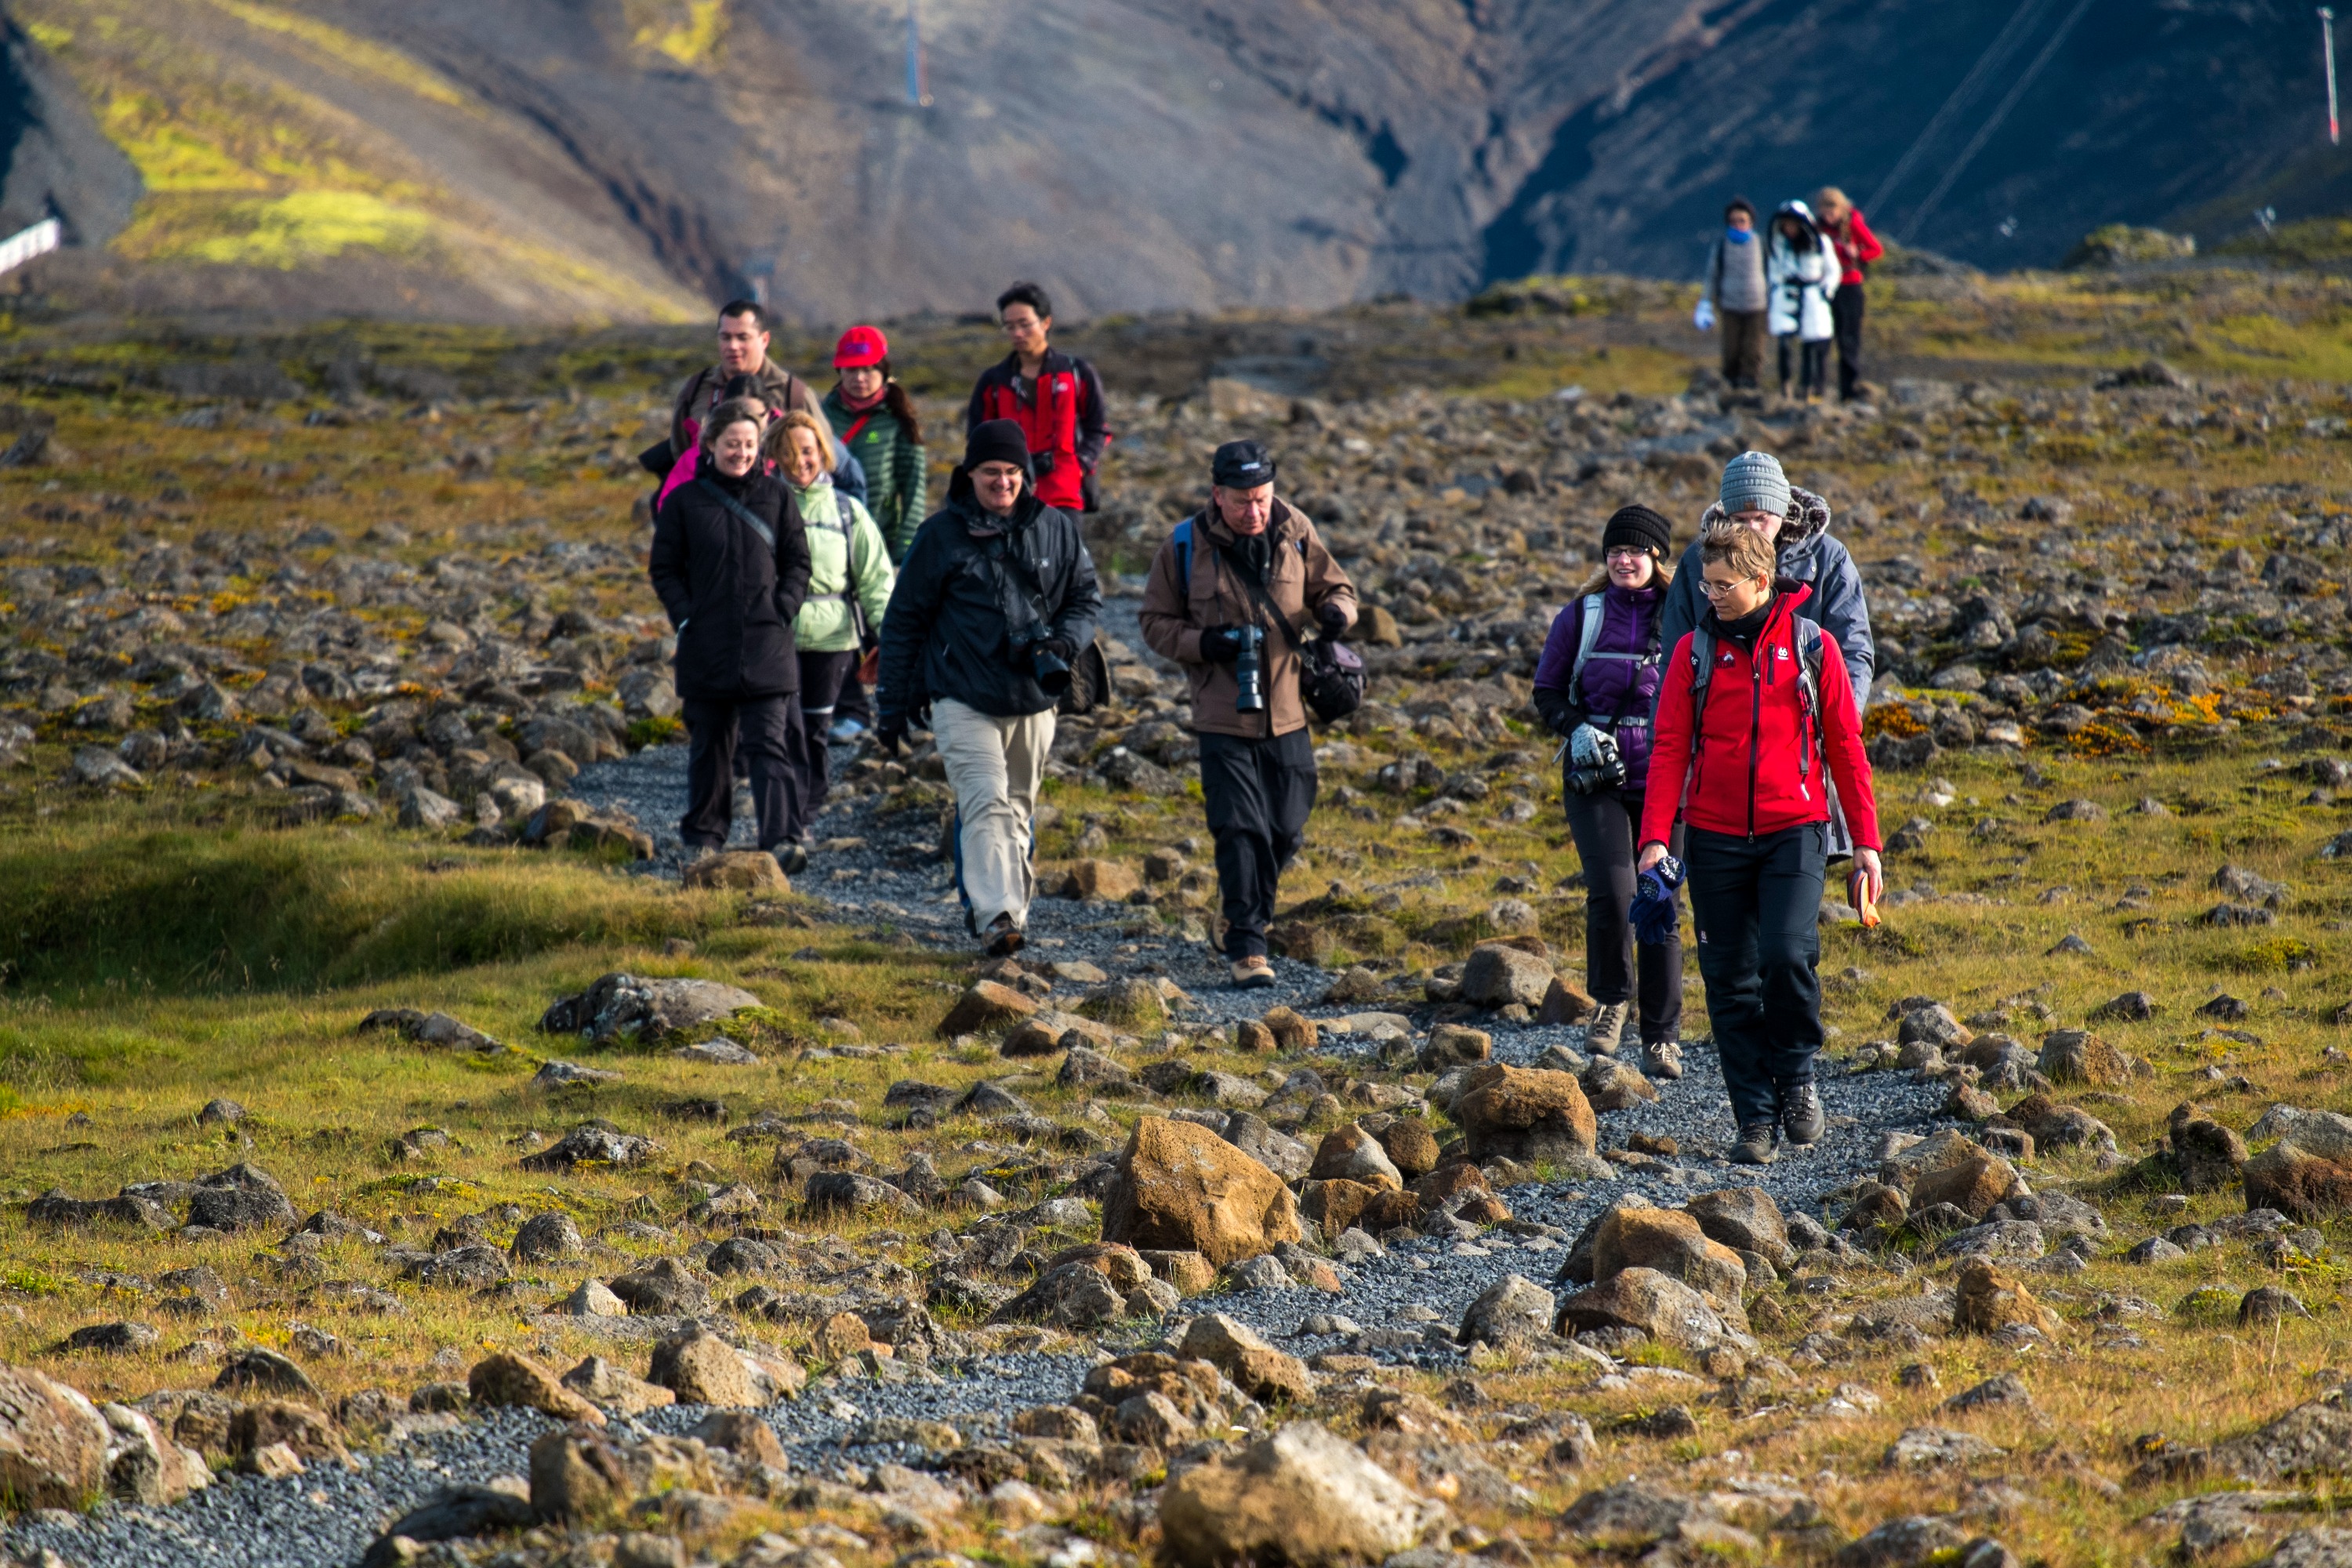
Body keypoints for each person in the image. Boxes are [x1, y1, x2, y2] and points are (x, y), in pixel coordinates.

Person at [1639, 523, 1884, 1165]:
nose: (1709, 594)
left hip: (1796, 831)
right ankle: (1754, 1119)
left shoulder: (1813, 646)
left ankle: (1798, 1077)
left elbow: (1845, 747)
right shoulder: (1693, 654)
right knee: (1728, 981)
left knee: (1786, 955)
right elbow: (1668, 750)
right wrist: (1655, 841)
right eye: (1705, 583)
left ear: (1759, 580)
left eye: (1723, 585)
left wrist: (1867, 843)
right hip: (1713, 835)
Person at [874, 419, 1101, 956]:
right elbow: (903, 622)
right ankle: (997, 915)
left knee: (1017, 806)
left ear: (1026, 474)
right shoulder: (939, 537)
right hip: (961, 695)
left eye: (1012, 473)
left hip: (1033, 696)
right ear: (969, 473)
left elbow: (1086, 599)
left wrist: (1064, 645)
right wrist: (892, 705)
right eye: (991, 472)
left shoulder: (1056, 528)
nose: (1003, 482)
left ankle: (1006, 916)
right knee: (985, 803)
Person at [1138, 440, 1357, 989]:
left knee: (1285, 828)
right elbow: (1153, 622)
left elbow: (1339, 587)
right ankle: (1248, 946)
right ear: (1217, 495)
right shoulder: (1185, 546)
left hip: (1287, 711)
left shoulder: (1297, 531)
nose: (1254, 512)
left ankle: (1237, 909)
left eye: (1262, 499)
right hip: (1221, 711)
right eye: (1241, 502)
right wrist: (1204, 642)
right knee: (1240, 829)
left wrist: (1336, 613)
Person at [1530, 506, 1684, 1077]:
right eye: (1617, 551)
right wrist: (1579, 730)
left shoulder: (1683, 617)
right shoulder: (1582, 616)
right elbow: (1546, 692)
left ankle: (1663, 1036)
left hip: (1667, 782)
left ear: (1657, 558)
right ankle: (1612, 1003)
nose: (1626, 560)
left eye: (1638, 551)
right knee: (1615, 893)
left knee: (1659, 902)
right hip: (1595, 779)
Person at [648, 398, 813, 869]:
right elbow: (664, 569)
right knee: (711, 745)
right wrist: (685, 616)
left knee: (768, 743)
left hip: (767, 642)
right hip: (706, 643)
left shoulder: (778, 497)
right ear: (710, 444)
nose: (741, 452)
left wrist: (783, 608)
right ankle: (703, 836)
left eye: (748, 444)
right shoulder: (683, 502)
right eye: (731, 444)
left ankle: (782, 840)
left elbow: (799, 562)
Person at [1657, 451, 1873, 724]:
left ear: (1781, 509)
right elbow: (1673, 664)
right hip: (1718, 740)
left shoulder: (1828, 558)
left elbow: (1853, 652)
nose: (1752, 529)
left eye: (1761, 517)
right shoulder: (1696, 561)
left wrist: (1839, 730)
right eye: (1740, 520)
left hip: (1803, 739)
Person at [771, 408, 894, 839]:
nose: (799, 461)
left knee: (814, 730)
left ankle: (804, 815)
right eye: (787, 452)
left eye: (807, 450)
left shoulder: (848, 512)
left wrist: (887, 637)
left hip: (833, 639)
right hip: (777, 637)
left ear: (823, 452)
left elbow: (876, 578)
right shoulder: (764, 506)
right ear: (774, 457)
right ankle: (785, 818)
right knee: (782, 730)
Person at [822, 325, 927, 745]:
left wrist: (905, 552)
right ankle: (850, 711)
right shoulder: (821, 415)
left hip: (881, 547)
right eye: (850, 369)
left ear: (884, 371)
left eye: (867, 369)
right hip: (829, 542)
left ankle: (895, 705)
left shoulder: (900, 423)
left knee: (883, 627)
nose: (859, 378)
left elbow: (913, 490)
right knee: (842, 625)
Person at [966, 281, 1109, 515]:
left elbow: (1098, 428)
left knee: (1065, 552)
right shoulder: (993, 382)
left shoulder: (1077, 373)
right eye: (1009, 327)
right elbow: (978, 437)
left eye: (1024, 324)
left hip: (1065, 494)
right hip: (1011, 497)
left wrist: (1079, 465)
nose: (1017, 333)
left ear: (1046, 322)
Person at [1812, 187, 1884, 404]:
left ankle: (1848, 391)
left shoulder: (1852, 225)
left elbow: (1876, 249)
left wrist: (1858, 254)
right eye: (1825, 211)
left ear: (1841, 209)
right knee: (1821, 340)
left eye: (1832, 211)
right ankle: (1817, 389)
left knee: (1848, 340)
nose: (1828, 216)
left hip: (1849, 286)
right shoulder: (1817, 229)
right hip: (1825, 287)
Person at [1765, 201, 1839, 402]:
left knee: (1811, 346)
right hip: (1786, 296)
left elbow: (1833, 270)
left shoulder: (1821, 243)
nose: (1789, 229)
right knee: (1784, 343)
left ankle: (1808, 388)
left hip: (1812, 297)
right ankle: (1785, 386)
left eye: (1793, 225)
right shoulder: (1778, 245)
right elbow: (1772, 271)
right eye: (1786, 225)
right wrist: (1776, 289)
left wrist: (1827, 291)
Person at [1694, 198, 1768, 391]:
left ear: (1751, 222)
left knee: (1754, 349)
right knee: (1731, 349)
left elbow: (1772, 274)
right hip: (1730, 306)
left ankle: (1751, 384)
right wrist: (1706, 302)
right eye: (1734, 221)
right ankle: (1730, 385)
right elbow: (1712, 276)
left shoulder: (1761, 245)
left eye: (1742, 220)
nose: (1738, 225)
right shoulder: (1722, 247)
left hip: (1757, 306)